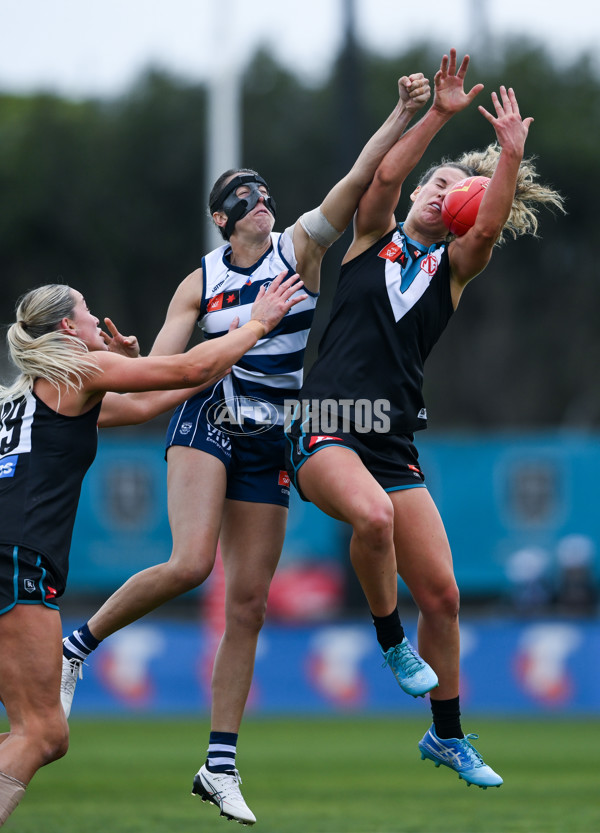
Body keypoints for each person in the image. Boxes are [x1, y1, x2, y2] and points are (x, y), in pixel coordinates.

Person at [59, 67, 433, 826]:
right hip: (210, 417)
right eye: (247, 197)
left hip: (272, 436)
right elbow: (163, 377)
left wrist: (400, 114)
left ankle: (218, 764)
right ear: (226, 218)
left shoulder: (298, 250)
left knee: (251, 603)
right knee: (192, 562)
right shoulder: (197, 284)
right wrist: (98, 399)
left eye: (263, 193)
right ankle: (78, 642)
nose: (262, 203)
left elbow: (359, 178)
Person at [285, 49, 564, 789]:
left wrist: (505, 158)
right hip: (327, 422)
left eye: (455, 191)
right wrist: (438, 113)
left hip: (392, 437)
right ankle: (388, 640)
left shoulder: (454, 272)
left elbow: (488, 227)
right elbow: (380, 180)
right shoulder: (373, 240)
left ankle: (447, 735)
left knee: (443, 593)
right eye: (438, 181)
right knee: (372, 519)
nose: (443, 195)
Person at [0, 274, 304, 827]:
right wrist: (257, 324)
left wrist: (135, 372)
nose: (98, 322)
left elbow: (147, 405)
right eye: (89, 313)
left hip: (10, 560)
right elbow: (189, 369)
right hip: (17, 563)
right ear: (68, 328)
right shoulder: (83, 370)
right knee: (42, 733)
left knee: (32, 729)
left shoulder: (27, 395)